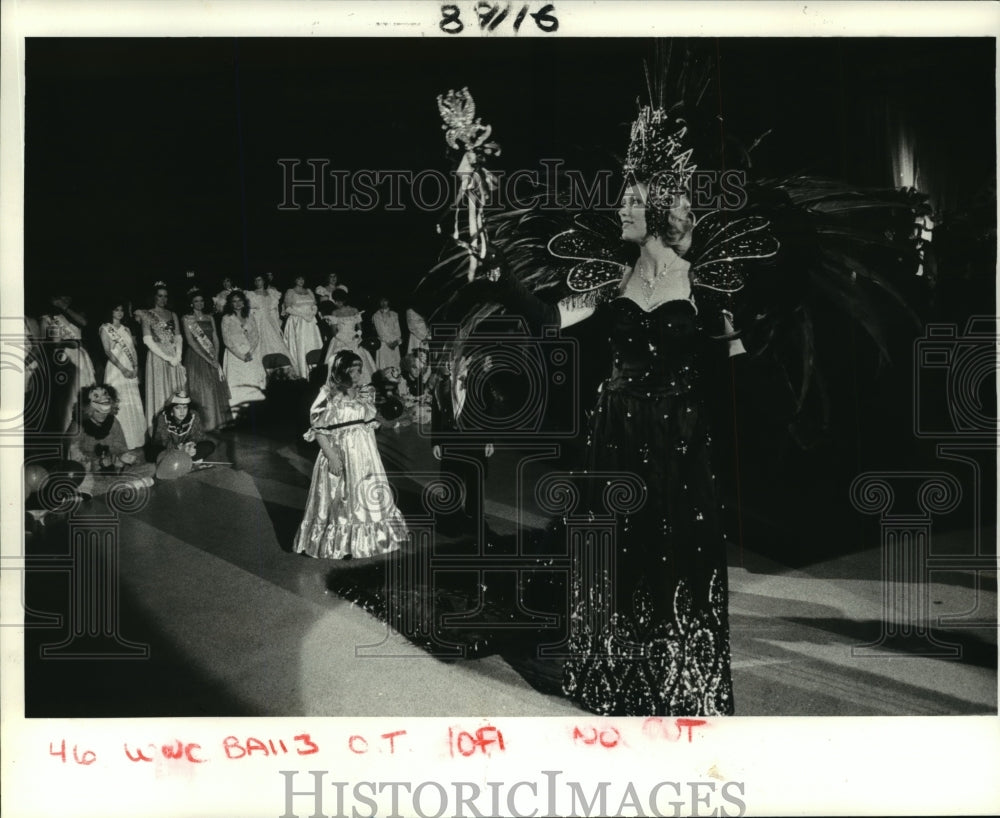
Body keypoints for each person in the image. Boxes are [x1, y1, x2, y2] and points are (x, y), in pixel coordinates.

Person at [293, 350, 408, 560]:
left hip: (364, 454)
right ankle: (342, 543)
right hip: (340, 452)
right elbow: (319, 430)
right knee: (342, 497)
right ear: (339, 371)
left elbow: (372, 421)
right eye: (352, 371)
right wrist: (332, 456)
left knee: (366, 494)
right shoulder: (328, 395)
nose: (356, 375)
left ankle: (373, 540)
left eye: (359, 371)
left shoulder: (364, 393)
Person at [429, 351, 495, 536]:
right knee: (451, 481)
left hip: (474, 441)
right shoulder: (442, 385)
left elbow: (488, 413)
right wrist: (436, 442)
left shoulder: (480, 383)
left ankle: (475, 519)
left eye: (464, 360)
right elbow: (437, 414)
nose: (458, 364)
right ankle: (449, 519)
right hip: (451, 441)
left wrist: (489, 439)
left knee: (475, 482)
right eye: (454, 360)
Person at [64, 384, 154, 498]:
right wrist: (103, 462)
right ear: (87, 406)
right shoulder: (76, 427)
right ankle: (125, 485)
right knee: (81, 481)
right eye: (96, 396)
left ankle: (118, 485)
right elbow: (76, 464)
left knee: (150, 467)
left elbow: (120, 446)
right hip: (90, 473)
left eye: (105, 395)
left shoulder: (113, 421)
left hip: (112, 470)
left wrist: (124, 457)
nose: (103, 399)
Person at [40, 293, 98, 432]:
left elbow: (84, 323)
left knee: (86, 393)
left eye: (66, 298)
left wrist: (65, 308)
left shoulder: (74, 315)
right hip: (64, 357)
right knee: (69, 397)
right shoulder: (46, 318)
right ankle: (67, 431)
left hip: (81, 358)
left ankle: (88, 429)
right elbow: (46, 342)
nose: (63, 300)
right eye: (59, 298)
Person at [137, 282, 186, 433]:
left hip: (173, 355)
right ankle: (160, 431)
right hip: (158, 357)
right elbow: (147, 339)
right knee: (159, 392)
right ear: (154, 297)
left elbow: (178, 336)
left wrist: (177, 355)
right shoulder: (147, 314)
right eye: (160, 296)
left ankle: (177, 428)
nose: (163, 299)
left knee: (175, 391)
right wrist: (166, 357)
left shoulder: (173, 314)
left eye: (165, 296)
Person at [180, 289, 232, 430]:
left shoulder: (210, 317)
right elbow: (190, 342)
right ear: (191, 303)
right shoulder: (186, 319)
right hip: (196, 357)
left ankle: (217, 422)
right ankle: (203, 424)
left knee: (214, 388)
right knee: (201, 389)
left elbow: (215, 337)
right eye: (196, 301)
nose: (199, 303)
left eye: (201, 300)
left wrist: (215, 356)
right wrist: (208, 359)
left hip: (211, 355)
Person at [99, 302, 146, 449]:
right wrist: (123, 369)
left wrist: (136, 367)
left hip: (130, 366)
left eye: (121, 310)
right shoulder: (105, 328)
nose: (119, 313)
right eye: (116, 310)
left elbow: (133, 349)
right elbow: (108, 351)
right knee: (119, 401)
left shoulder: (126, 328)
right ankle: (121, 441)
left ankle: (137, 439)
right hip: (116, 368)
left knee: (133, 400)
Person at [220, 289, 266, 409]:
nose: (237, 303)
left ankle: (254, 408)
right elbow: (227, 340)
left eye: (239, 300)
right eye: (234, 301)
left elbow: (256, 335)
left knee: (252, 380)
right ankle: (237, 409)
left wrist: (249, 352)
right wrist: (241, 355)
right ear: (230, 304)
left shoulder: (250, 316)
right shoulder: (226, 318)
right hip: (234, 355)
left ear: (244, 302)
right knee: (237, 383)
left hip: (251, 353)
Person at [150, 390, 216, 463]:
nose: (182, 411)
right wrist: (179, 448)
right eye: (178, 408)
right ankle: (188, 460)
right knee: (153, 451)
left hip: (187, 449)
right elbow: (162, 440)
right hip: (171, 449)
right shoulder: (163, 417)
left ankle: (181, 460)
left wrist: (190, 446)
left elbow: (198, 436)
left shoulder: (193, 415)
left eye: (185, 407)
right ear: (171, 410)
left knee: (210, 445)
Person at [282, 275, 323, 378]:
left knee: (312, 343)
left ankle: (315, 372)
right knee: (301, 345)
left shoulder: (308, 291)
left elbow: (314, 305)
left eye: (302, 279)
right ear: (295, 280)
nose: (301, 281)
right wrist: (302, 315)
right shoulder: (290, 292)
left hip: (310, 322)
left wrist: (312, 313)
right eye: (298, 279)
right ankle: (302, 372)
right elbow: (287, 309)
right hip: (298, 321)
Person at [247, 274, 293, 363]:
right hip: (258, 320)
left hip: (270, 320)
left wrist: (277, 323)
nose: (257, 282)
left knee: (275, 341)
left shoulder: (271, 293)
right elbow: (249, 311)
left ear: (264, 281)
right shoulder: (251, 294)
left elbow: (273, 310)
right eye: (255, 280)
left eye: (259, 280)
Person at [372, 297, 403, 371]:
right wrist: (388, 343)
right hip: (384, 344)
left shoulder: (394, 314)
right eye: (381, 301)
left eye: (385, 300)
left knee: (395, 366)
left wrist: (397, 341)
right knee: (385, 366)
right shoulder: (376, 316)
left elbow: (397, 329)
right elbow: (380, 331)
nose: (383, 303)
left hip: (394, 343)